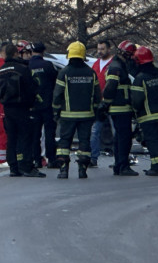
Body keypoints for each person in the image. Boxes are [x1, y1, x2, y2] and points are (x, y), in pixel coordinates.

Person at [0, 42, 44, 177]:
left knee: (11, 138)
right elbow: (32, 88)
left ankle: (13, 168)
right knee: (25, 137)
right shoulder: (22, 69)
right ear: (16, 53)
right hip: (23, 108)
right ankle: (26, 166)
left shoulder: (0, 71)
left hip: (7, 109)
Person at [52, 41, 101, 179]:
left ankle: (63, 170)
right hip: (87, 115)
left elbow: (57, 94)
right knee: (84, 142)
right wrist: (97, 110)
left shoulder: (64, 73)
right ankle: (82, 170)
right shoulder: (91, 73)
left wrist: (55, 111)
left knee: (64, 142)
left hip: (67, 115)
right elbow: (97, 95)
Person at [130, 46, 158, 176]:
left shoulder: (140, 78)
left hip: (148, 116)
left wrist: (134, 111)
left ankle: (156, 168)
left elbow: (137, 100)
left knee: (153, 142)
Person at [101, 44, 137, 176]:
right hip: (120, 108)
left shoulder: (119, 65)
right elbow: (110, 87)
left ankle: (119, 165)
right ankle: (123, 166)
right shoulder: (116, 67)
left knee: (120, 138)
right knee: (124, 138)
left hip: (121, 108)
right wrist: (107, 103)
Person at [29, 41, 58, 170]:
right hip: (48, 104)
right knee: (49, 133)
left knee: (35, 134)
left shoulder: (27, 65)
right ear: (43, 52)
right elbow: (55, 82)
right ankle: (51, 159)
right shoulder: (48, 65)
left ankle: (37, 160)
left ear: (31, 52)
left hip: (33, 105)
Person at [90, 39, 115, 167]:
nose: (100, 51)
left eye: (102, 49)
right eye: (98, 49)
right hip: (99, 104)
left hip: (112, 103)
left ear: (109, 49)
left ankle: (120, 159)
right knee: (95, 131)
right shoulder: (95, 64)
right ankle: (93, 158)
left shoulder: (114, 64)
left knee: (116, 131)